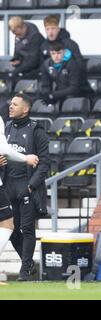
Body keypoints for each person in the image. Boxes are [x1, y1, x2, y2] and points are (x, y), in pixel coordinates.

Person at [0, 93, 46, 282]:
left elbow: (44, 162)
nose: (10, 107)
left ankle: (25, 271)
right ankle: (27, 264)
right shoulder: (7, 127)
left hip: (26, 187)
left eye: (15, 104)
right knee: (9, 229)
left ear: (25, 109)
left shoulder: (37, 129)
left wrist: (31, 185)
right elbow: (4, 153)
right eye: (10, 104)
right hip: (7, 185)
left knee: (27, 229)